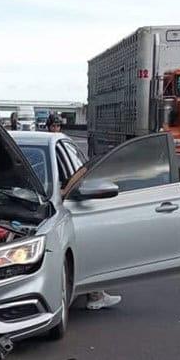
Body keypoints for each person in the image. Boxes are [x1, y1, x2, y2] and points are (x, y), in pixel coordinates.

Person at [47, 112, 122, 310]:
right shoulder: (60, 145)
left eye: (56, 126)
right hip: (65, 205)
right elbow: (80, 173)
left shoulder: (58, 145)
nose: (55, 129)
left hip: (64, 201)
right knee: (91, 247)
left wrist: (64, 191)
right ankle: (95, 295)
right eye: (53, 126)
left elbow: (78, 175)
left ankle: (95, 293)